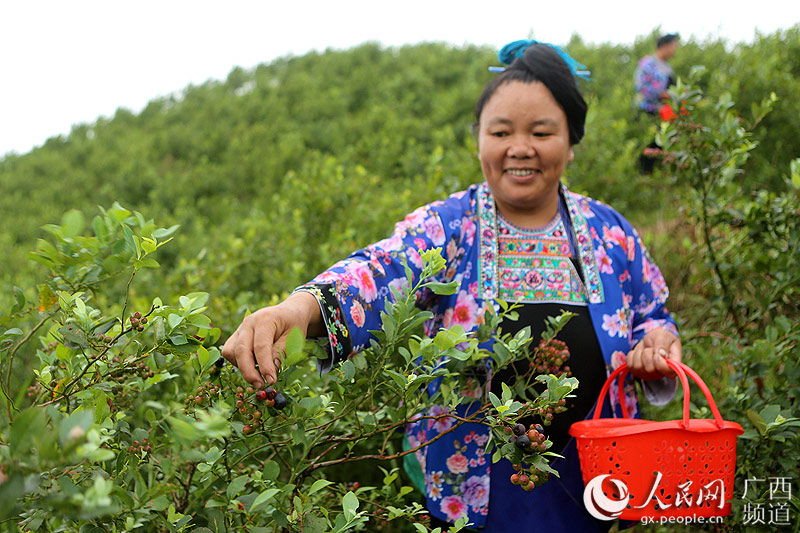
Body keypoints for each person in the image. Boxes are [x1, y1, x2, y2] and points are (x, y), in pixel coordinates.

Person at [222, 40, 682, 532]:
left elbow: (652, 317)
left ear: (571, 141)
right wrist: (295, 309)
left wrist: (657, 345)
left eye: (542, 131)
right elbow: (379, 271)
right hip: (472, 492)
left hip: (592, 486)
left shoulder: (610, 233)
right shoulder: (450, 228)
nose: (519, 147)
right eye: (501, 131)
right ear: (479, 139)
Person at [634, 33, 680, 174]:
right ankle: (640, 172)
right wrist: (660, 94)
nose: (674, 50)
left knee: (659, 144)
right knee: (645, 143)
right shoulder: (648, 63)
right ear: (664, 46)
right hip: (647, 110)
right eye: (673, 46)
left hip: (662, 112)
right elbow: (640, 86)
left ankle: (651, 174)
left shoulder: (667, 68)